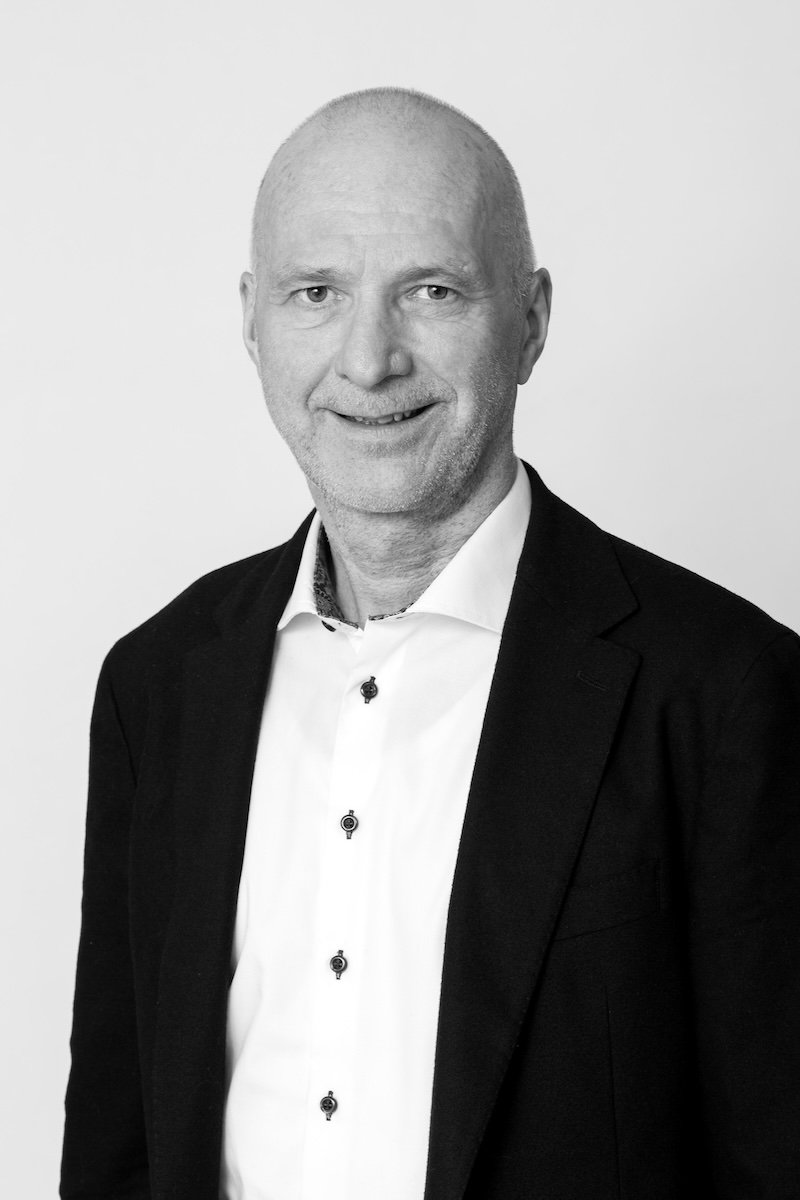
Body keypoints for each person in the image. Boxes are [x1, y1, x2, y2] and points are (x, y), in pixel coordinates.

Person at [61, 87, 800, 1200]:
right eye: (317, 293)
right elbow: (116, 1147)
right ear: (252, 321)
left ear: (531, 321)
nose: (368, 361)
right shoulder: (156, 687)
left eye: (432, 291)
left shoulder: (728, 692)